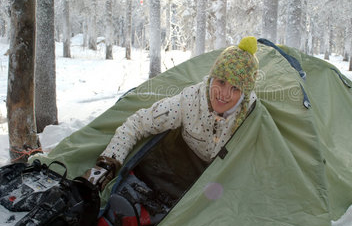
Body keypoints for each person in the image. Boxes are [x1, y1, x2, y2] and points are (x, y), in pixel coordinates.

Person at [82, 36, 259, 192]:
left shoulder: (250, 118)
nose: (224, 94)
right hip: (185, 167)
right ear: (212, 78)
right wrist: (107, 164)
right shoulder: (190, 102)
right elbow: (139, 123)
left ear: (244, 94)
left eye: (235, 88)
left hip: (223, 181)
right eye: (221, 81)